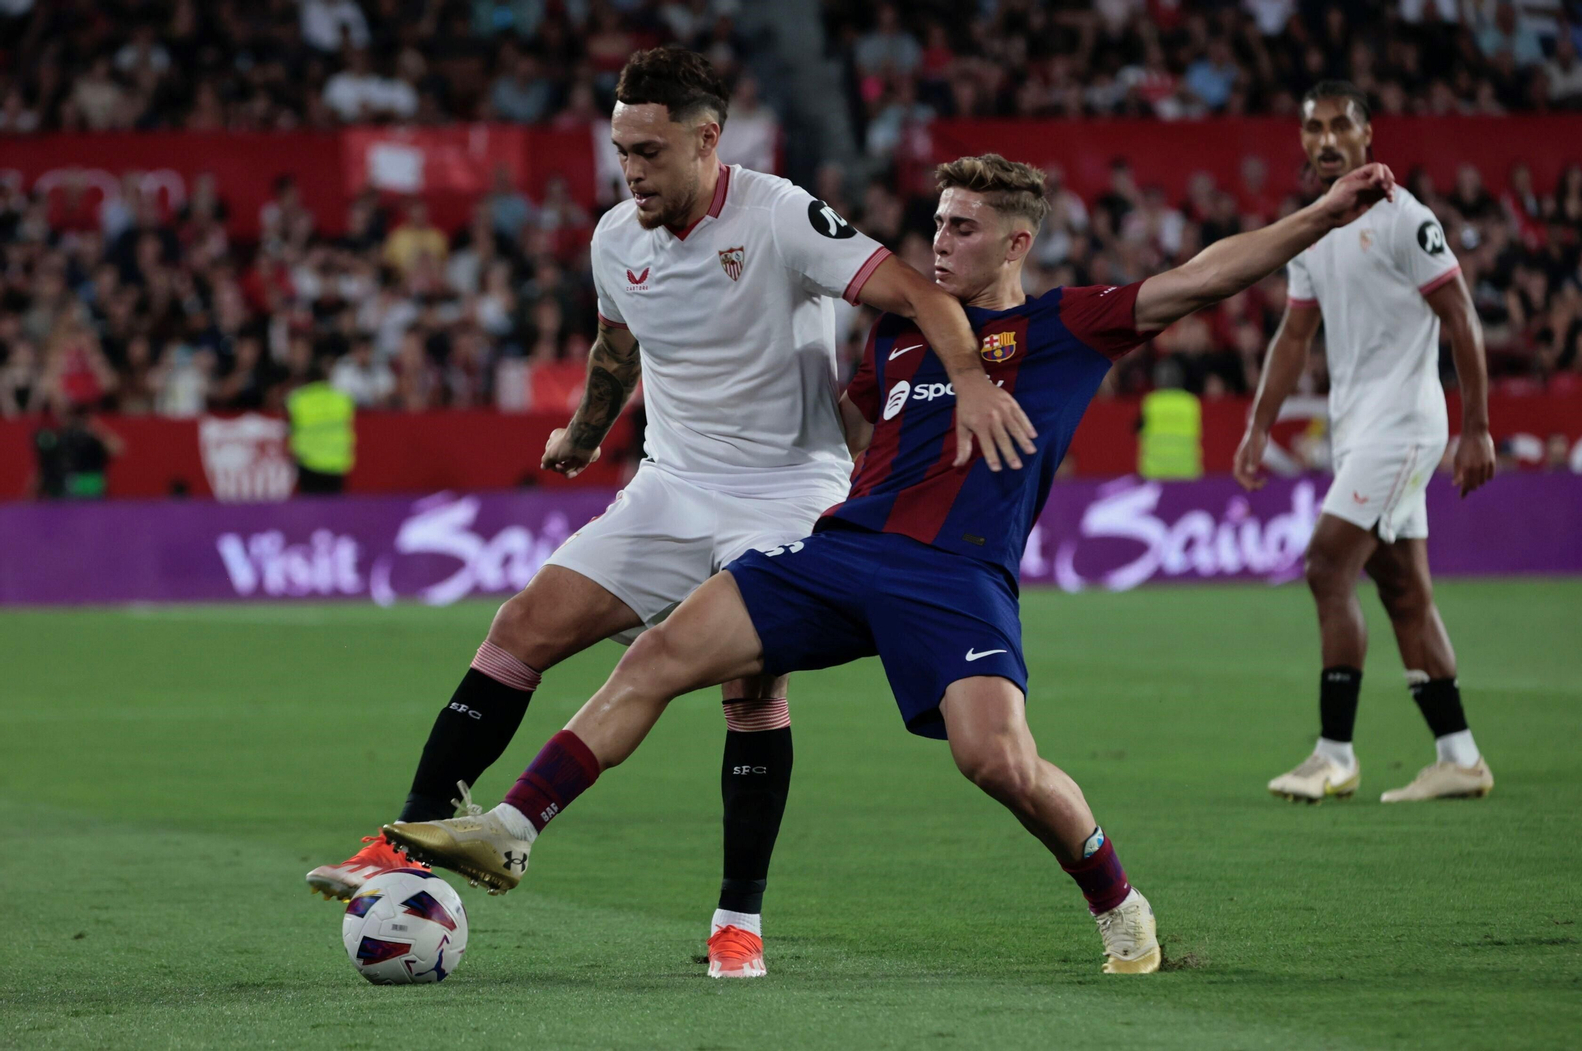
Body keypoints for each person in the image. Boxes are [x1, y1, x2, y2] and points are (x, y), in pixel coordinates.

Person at [381, 152, 1400, 975]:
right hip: (842, 549)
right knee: (659, 653)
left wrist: (1323, 210)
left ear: (1016, 241)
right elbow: (850, 426)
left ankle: (1117, 900)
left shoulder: (1065, 328)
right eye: (937, 223)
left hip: (954, 576)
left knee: (994, 761)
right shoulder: (895, 346)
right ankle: (514, 823)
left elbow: (1210, 272)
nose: (940, 241)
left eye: (963, 227)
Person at [308, 48, 1036, 981]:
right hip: (670, 485)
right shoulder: (616, 237)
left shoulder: (781, 216)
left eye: (650, 152)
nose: (633, 171)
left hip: (787, 490)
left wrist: (970, 380)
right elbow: (619, 347)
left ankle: (738, 922)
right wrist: (583, 429)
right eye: (621, 151)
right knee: (521, 625)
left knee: (752, 691)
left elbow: (920, 293)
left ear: (707, 139)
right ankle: (406, 841)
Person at [1233, 82, 1497, 804]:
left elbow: (1462, 316)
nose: (1325, 139)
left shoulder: (1406, 220)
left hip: (1405, 425)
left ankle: (1335, 753)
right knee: (1405, 591)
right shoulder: (1314, 230)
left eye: (1339, 126)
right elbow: (1294, 334)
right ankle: (1460, 756)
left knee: (1325, 565)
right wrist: (1259, 424)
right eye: (1312, 127)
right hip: (1359, 431)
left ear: (1367, 134)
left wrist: (1476, 426)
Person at [286, 359, 356, 495]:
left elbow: (290, 427)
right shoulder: (342, 399)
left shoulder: (297, 400)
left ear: (307, 379)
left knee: (311, 511)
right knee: (334, 512)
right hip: (336, 463)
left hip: (308, 463)